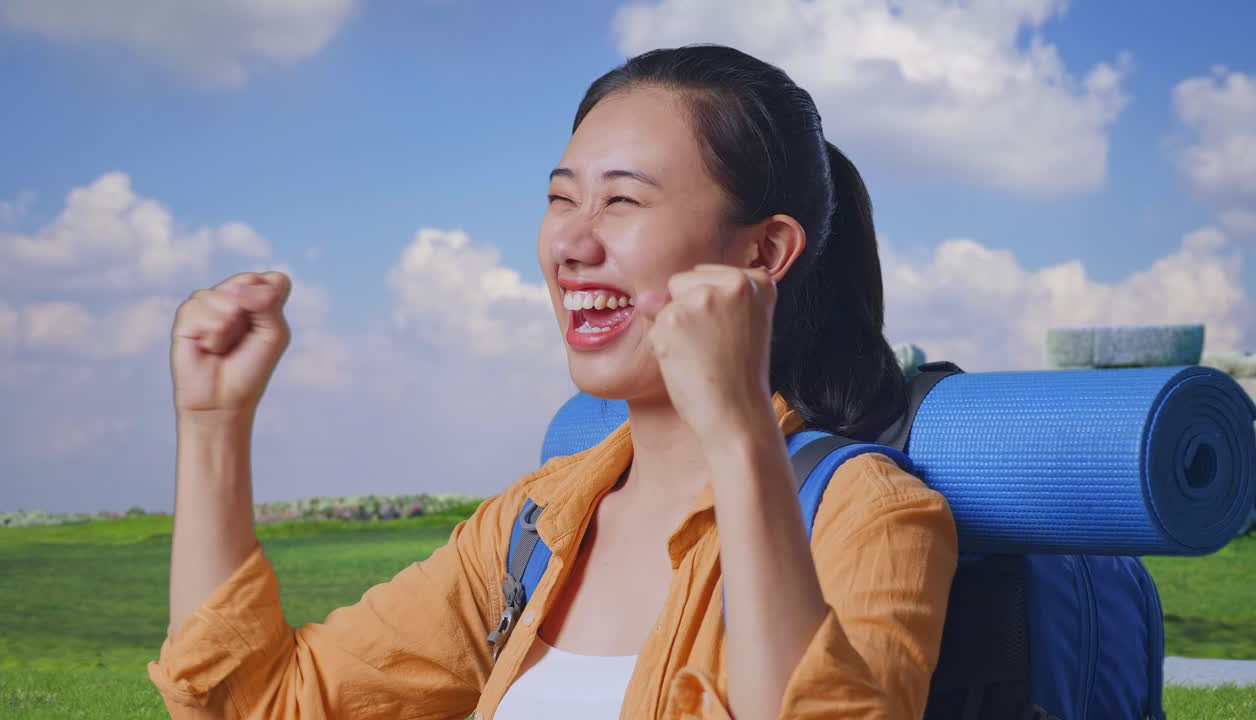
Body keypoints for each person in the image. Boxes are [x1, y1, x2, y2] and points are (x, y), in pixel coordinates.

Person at [148, 44, 958, 719]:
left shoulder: (870, 519)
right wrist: (214, 422)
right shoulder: (533, 530)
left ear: (762, 254)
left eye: (621, 201)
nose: (570, 243)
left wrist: (740, 424)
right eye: (559, 198)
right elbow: (258, 704)